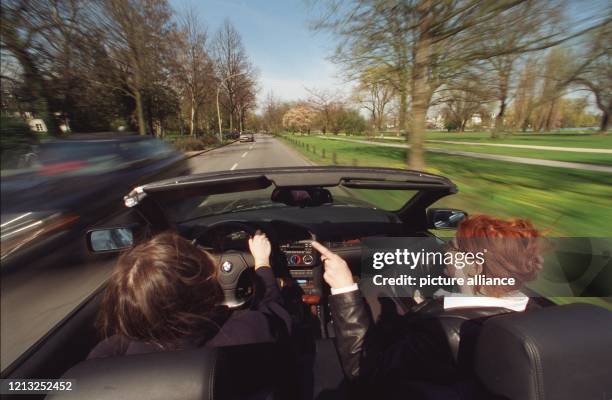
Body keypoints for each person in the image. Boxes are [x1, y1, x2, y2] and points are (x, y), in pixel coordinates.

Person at [312, 215, 543, 398]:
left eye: (452, 248)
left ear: (474, 267)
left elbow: (362, 371)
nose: (445, 253)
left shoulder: (439, 333)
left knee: (320, 357)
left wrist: (344, 289)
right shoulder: (537, 314)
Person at [88, 230, 289, 359]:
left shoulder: (110, 355)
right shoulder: (249, 332)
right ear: (202, 287)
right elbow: (277, 314)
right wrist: (262, 262)